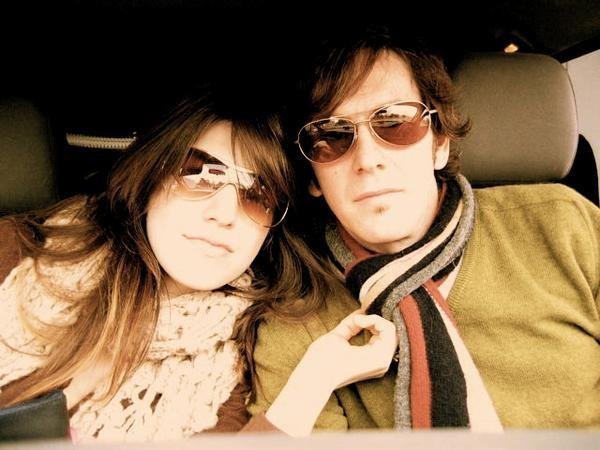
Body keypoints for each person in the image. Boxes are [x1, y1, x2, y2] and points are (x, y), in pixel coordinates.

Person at [248, 26, 600, 431]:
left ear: (440, 143)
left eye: (395, 121)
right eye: (331, 136)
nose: (368, 160)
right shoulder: (296, 318)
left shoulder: (563, 226)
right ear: (312, 175)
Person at [0, 83, 397, 442]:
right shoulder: (15, 248)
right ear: (152, 175)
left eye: (258, 193)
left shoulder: (246, 362)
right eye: (199, 173)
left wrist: (316, 379)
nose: (224, 214)